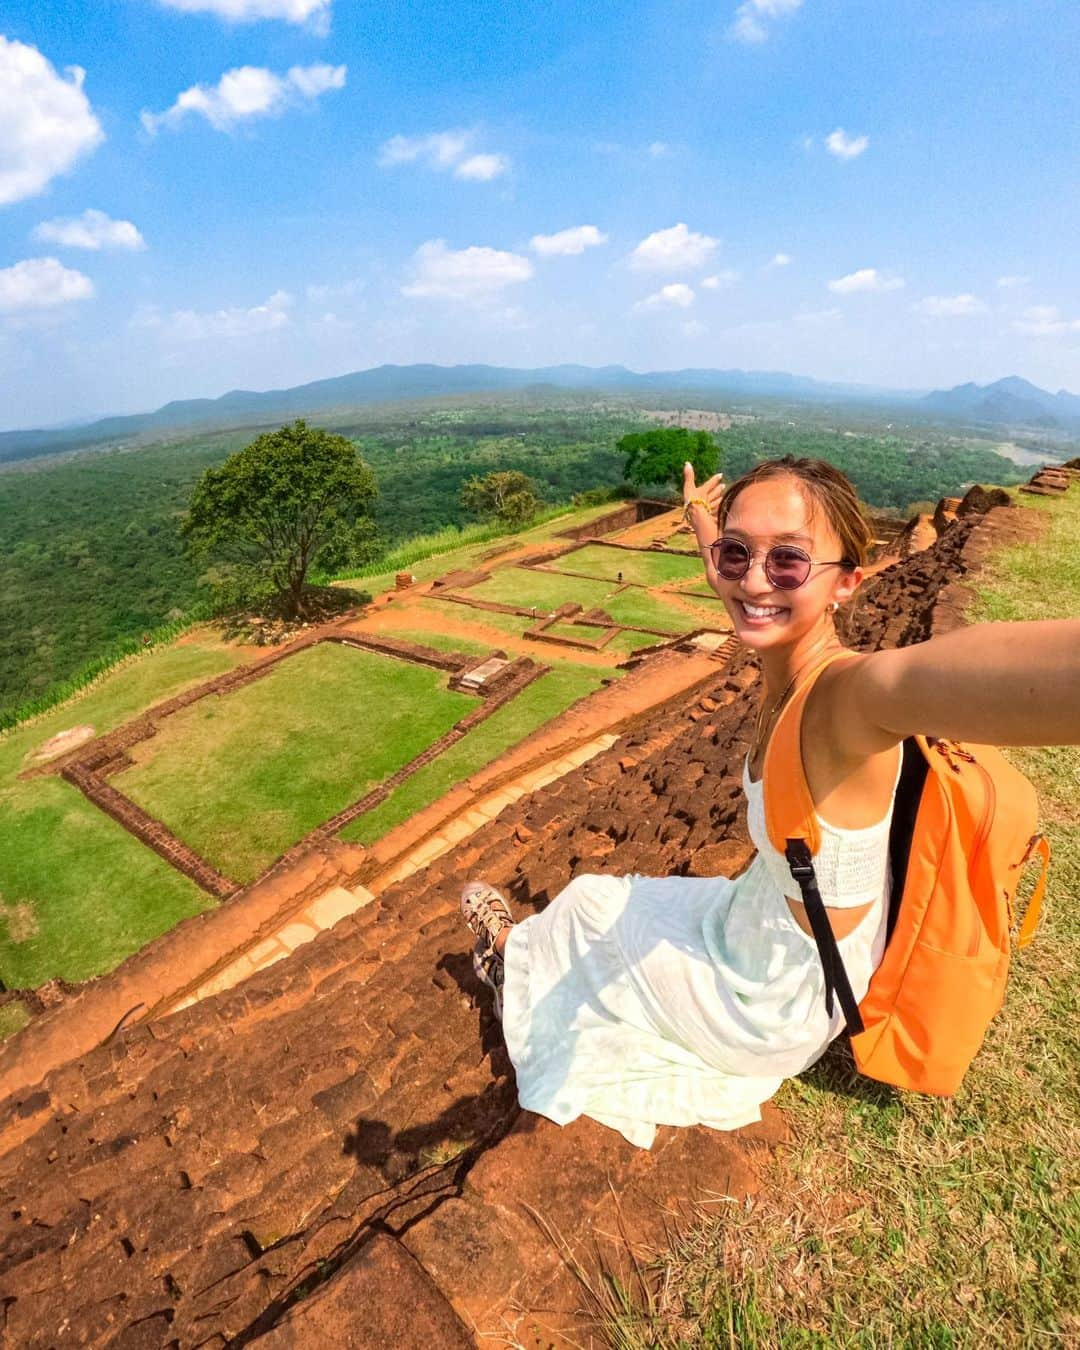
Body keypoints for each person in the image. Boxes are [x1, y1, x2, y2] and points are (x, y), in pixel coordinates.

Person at [460, 456, 1080, 1148]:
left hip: (773, 1001)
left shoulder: (849, 701)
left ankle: (507, 959)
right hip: (761, 925)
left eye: (788, 560)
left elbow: (941, 679)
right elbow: (739, 577)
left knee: (584, 910)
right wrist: (699, 517)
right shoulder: (785, 651)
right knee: (602, 900)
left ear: (849, 580)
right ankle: (528, 954)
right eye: (737, 553)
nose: (754, 579)